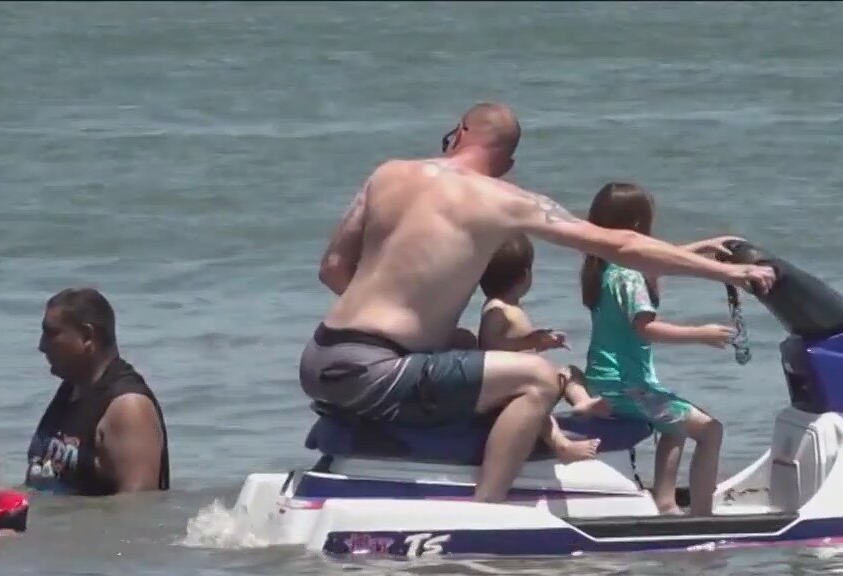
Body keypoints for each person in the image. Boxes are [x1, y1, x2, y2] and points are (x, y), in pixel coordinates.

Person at [300, 101, 776, 503]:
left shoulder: (387, 174)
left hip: (321, 358)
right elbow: (622, 244)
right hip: (377, 372)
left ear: (458, 134)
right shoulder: (502, 199)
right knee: (539, 377)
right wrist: (729, 272)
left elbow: (333, 269)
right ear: (507, 162)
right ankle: (485, 511)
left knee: (464, 343)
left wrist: (419, 329)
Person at [580, 181, 739, 516]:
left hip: (607, 378)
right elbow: (646, 328)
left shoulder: (603, 264)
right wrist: (700, 334)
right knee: (711, 431)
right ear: (638, 225)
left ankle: (665, 503)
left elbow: (658, 261)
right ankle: (703, 515)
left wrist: (704, 247)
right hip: (626, 385)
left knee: (675, 424)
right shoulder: (629, 276)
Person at [477, 234, 608, 463]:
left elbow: (517, 346)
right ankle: (561, 445)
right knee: (535, 408)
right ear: (526, 275)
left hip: (527, 380)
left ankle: (582, 402)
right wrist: (531, 342)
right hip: (507, 390)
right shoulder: (497, 309)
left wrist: (542, 342)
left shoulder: (509, 307)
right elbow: (489, 345)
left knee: (571, 372)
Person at [27, 288, 170, 496]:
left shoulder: (127, 407)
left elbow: (138, 508)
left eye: (51, 334)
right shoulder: (71, 390)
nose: (42, 346)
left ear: (87, 336)